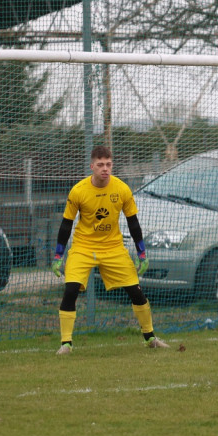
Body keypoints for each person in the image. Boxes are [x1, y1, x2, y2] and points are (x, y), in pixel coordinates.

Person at [50, 145, 167, 353]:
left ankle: (150, 338)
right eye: (101, 165)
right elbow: (66, 224)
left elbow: (133, 223)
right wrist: (59, 255)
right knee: (70, 290)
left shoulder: (121, 189)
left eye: (109, 164)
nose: (105, 168)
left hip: (113, 247)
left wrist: (142, 254)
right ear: (92, 166)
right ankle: (66, 344)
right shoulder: (78, 191)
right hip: (83, 247)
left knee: (136, 291)